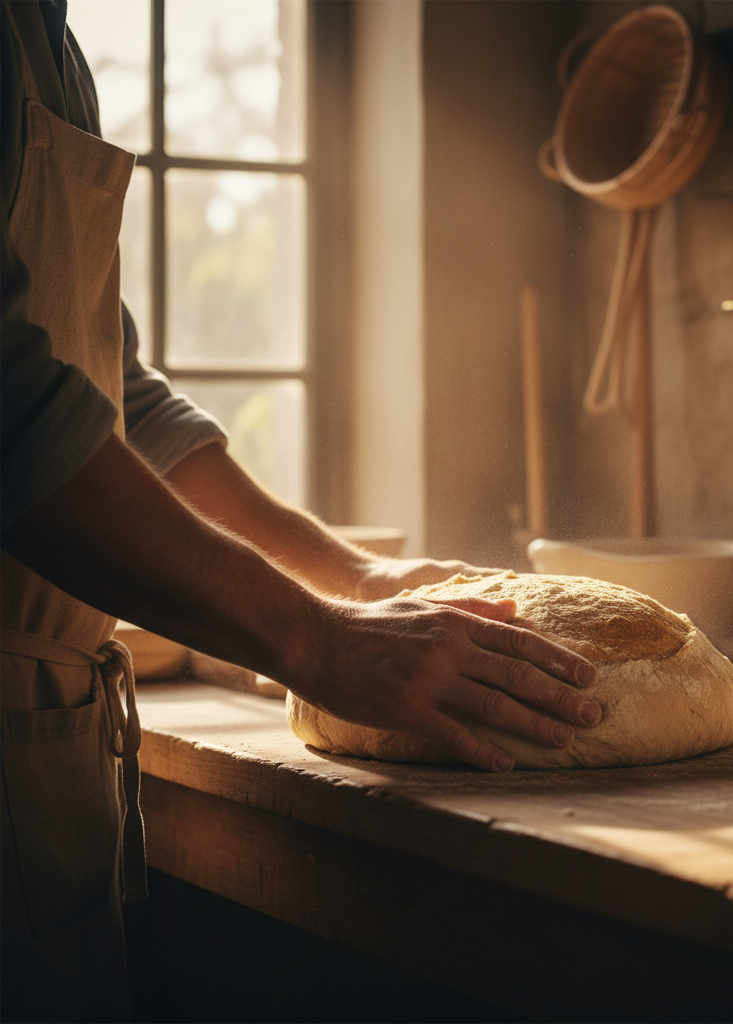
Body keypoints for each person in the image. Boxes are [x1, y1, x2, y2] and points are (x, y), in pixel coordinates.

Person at [0, 2, 601, 1019]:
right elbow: (14, 408)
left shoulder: (47, 40)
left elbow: (112, 393)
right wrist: (316, 638)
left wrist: (352, 579)